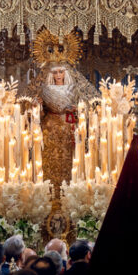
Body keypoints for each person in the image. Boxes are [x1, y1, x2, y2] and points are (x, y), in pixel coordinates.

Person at [27, 30, 99, 198]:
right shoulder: (44, 89)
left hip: (68, 128)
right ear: (51, 74)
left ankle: (69, 192)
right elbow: (38, 114)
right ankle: (48, 191)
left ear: (65, 73)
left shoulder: (74, 88)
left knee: (69, 159)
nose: (58, 75)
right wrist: (37, 107)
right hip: (49, 129)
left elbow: (85, 107)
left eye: (60, 72)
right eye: (55, 73)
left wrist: (77, 110)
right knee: (49, 158)